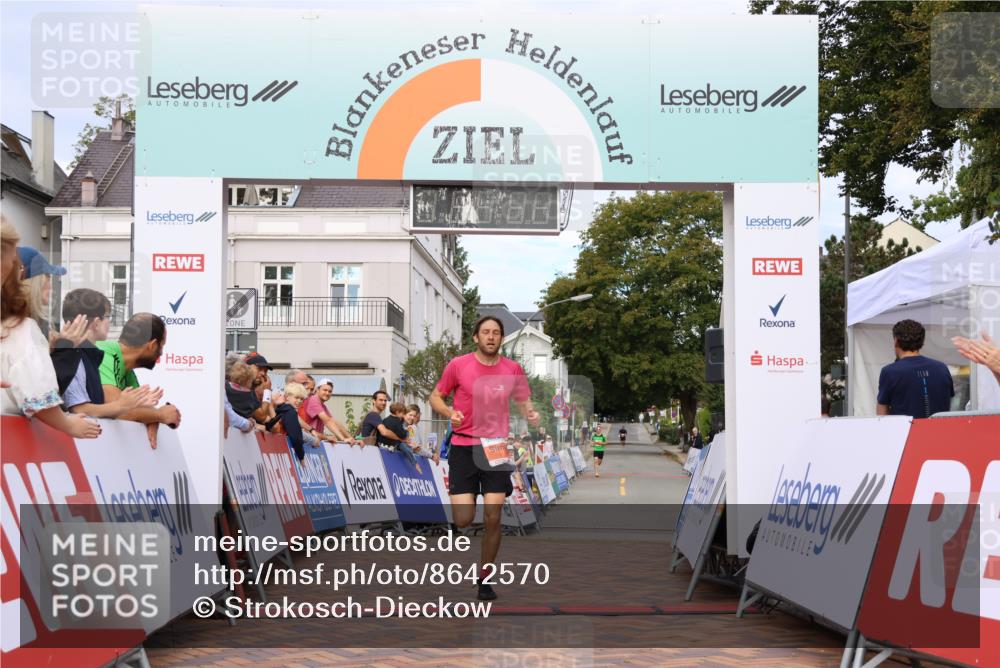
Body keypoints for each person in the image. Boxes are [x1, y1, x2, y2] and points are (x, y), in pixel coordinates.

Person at [430, 315, 539, 601]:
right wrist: (449, 412)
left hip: (495, 447)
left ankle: (484, 579)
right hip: (463, 446)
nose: (491, 336)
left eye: (496, 333)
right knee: (463, 520)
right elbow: (435, 396)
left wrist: (530, 412)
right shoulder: (458, 365)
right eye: (486, 332)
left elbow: (523, 399)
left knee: (493, 516)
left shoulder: (512, 369)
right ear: (476, 337)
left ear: (501, 338)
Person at [0, 219, 100, 438]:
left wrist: (53, 354)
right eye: (47, 279)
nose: (51, 288)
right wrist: (69, 425)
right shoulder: (21, 329)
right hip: (11, 442)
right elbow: (37, 396)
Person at [55, 288, 161, 419]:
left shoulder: (88, 356)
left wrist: (135, 404)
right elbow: (80, 409)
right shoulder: (74, 357)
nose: (109, 322)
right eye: (108, 317)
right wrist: (121, 405)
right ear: (96, 323)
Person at [97, 312, 182, 448]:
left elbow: (140, 408)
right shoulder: (104, 354)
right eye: (162, 346)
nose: (161, 353)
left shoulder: (126, 367)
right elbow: (117, 410)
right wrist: (159, 415)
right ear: (152, 345)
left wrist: (152, 418)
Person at [876, 319, 954, 418]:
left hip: (906, 428)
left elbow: (882, 413)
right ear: (922, 341)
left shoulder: (890, 371)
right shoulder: (942, 368)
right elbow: (948, 402)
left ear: (896, 341)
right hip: (940, 427)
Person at [17, 245, 67, 342]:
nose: (50, 287)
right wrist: (64, 347)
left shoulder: (21, 322)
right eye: (47, 278)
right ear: (34, 284)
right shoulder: (20, 325)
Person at [298, 379, 355, 443]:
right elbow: (327, 421)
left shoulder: (322, 405)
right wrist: (343, 439)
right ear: (317, 389)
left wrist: (352, 439)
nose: (327, 393)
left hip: (313, 441)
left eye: (330, 391)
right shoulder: (313, 400)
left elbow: (334, 422)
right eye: (325, 390)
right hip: (306, 441)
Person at [266, 381, 307, 461]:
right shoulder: (290, 411)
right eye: (296, 397)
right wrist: (301, 456)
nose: (299, 401)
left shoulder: (280, 409)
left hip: (273, 447)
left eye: (301, 399)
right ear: (287, 397)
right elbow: (295, 436)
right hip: (279, 448)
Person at [380, 402, 420, 470]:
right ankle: (414, 462)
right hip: (391, 447)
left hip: (383, 445)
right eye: (403, 413)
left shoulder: (385, 420)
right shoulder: (398, 422)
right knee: (403, 445)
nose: (412, 418)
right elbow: (402, 435)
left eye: (414, 416)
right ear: (398, 412)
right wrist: (406, 434)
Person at [245, 353, 276, 424]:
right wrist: (267, 391)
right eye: (259, 369)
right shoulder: (243, 389)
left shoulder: (251, 390)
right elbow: (262, 416)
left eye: (265, 371)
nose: (263, 373)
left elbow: (270, 420)